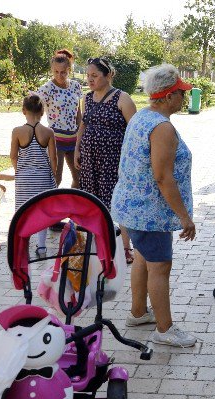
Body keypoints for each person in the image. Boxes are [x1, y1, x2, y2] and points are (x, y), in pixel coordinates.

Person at [110, 63, 197, 348]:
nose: (184, 98)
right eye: (181, 93)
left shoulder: (142, 116)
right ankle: (164, 329)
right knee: (160, 267)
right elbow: (163, 177)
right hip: (150, 213)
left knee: (144, 259)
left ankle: (138, 313)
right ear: (168, 96)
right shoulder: (162, 128)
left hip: (131, 208)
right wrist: (184, 217)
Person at [74, 57, 137, 264]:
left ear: (108, 75)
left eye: (95, 76)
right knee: (92, 203)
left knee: (118, 205)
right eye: (88, 76)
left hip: (113, 162)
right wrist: (77, 149)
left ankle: (126, 249)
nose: (90, 80)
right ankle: (94, 246)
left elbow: (135, 132)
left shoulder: (122, 98)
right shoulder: (88, 98)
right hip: (90, 161)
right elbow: (83, 125)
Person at [10, 94, 58, 258]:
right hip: (43, 177)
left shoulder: (17, 131)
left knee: (23, 211)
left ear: (24, 111)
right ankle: (42, 247)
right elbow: (53, 158)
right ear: (42, 111)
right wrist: (53, 176)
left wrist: (19, 171)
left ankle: (23, 245)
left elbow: (13, 156)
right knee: (42, 211)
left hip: (24, 178)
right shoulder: (48, 132)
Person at [36, 49, 81, 188]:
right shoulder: (46, 89)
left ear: (69, 70)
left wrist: (81, 134)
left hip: (74, 137)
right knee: (57, 178)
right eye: (56, 72)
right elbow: (34, 110)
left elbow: (78, 111)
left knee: (79, 178)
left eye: (63, 72)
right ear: (52, 70)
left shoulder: (75, 86)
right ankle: (49, 208)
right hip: (56, 138)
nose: (59, 75)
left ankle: (72, 206)